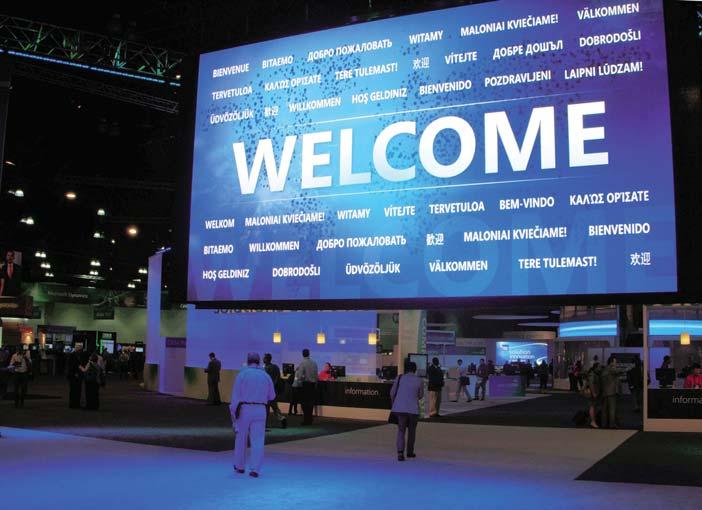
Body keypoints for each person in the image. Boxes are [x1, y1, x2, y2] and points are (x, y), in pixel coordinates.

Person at [230, 352, 275, 478]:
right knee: (258, 440)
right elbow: (272, 396)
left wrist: (233, 413)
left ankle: (239, 466)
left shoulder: (242, 375)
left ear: (248, 361)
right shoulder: (265, 376)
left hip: (244, 409)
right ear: (259, 361)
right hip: (261, 409)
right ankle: (255, 469)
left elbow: (235, 396)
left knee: (241, 438)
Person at [391, 361, 424, 461]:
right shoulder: (419, 380)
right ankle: (410, 452)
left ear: (405, 369)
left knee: (401, 431)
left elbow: (392, 393)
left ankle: (400, 453)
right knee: (412, 431)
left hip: (400, 408)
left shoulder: (399, 378)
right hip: (413, 409)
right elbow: (420, 395)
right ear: (415, 369)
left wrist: (394, 403)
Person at [263, 353, 287, 429]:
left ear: (267, 359)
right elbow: (278, 378)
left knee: (266, 408)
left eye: (264, 358)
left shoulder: (265, 369)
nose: (263, 359)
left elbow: (264, 380)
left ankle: (265, 424)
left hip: (267, 391)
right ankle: (282, 418)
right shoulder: (276, 367)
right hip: (274, 390)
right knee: (275, 407)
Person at [298, 349, 318, 425]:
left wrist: (302, 378)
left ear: (302, 354)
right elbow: (316, 376)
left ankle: (306, 420)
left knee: (304, 403)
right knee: (310, 403)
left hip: (305, 385)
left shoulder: (302, 363)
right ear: (309, 354)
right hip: (312, 385)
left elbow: (300, 376)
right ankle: (310, 419)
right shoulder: (314, 363)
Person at [600, 355, 620, 428]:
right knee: (612, 409)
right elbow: (619, 371)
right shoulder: (611, 369)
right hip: (611, 392)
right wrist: (628, 368)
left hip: (604, 392)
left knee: (604, 410)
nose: (616, 363)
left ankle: (604, 424)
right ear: (611, 362)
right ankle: (612, 424)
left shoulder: (604, 369)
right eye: (615, 362)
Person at [67, 344, 86, 408]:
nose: (81, 351)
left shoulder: (79, 355)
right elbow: (72, 365)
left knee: (77, 390)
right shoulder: (73, 355)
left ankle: (76, 403)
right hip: (74, 375)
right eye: (80, 350)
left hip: (78, 375)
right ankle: (73, 404)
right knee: (74, 390)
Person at [585, 358, 602, 428]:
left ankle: (592, 420)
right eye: (599, 367)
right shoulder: (592, 374)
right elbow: (591, 384)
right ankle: (593, 421)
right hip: (592, 393)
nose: (600, 368)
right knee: (592, 407)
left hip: (593, 392)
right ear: (596, 367)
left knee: (593, 407)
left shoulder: (593, 374)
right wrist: (594, 393)